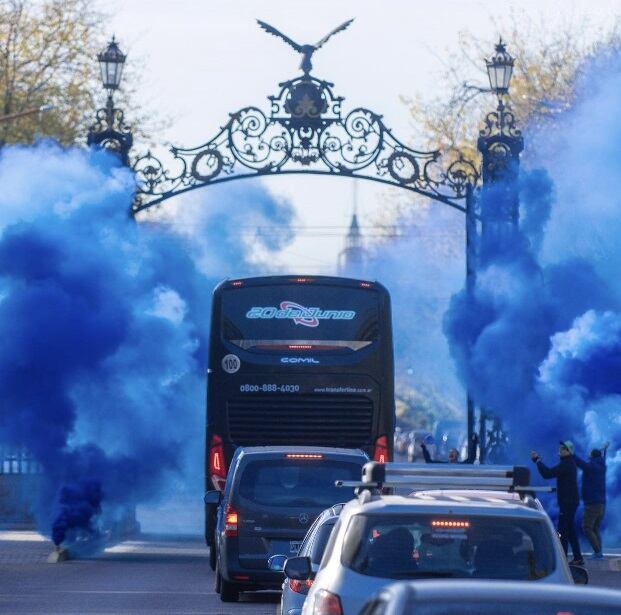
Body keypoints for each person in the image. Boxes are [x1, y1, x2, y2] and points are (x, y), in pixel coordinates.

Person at [530, 441, 583, 565]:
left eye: (564, 448)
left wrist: (537, 460)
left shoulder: (566, 464)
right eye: (561, 447)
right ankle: (577, 557)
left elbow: (547, 474)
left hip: (567, 502)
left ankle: (562, 560)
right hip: (570, 501)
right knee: (569, 530)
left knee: (563, 531)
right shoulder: (568, 463)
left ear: (569, 451)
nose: (561, 449)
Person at [575, 442, 609, 559]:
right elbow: (602, 457)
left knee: (587, 527)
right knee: (594, 528)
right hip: (601, 504)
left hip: (592, 504)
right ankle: (599, 552)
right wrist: (604, 449)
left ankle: (598, 552)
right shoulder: (602, 465)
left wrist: (572, 454)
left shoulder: (591, 467)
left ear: (592, 457)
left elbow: (582, 464)